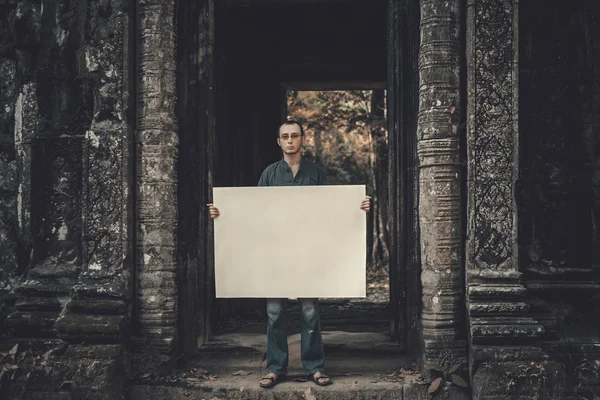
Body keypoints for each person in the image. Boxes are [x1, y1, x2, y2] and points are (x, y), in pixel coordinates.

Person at [207, 120, 371, 388]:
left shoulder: (316, 173)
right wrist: (223, 213)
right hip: (275, 255)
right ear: (279, 142)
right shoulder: (269, 174)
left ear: (302, 139)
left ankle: (315, 367)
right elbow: (254, 210)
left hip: (307, 253)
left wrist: (357, 207)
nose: (290, 140)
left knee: (309, 311)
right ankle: (274, 368)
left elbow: (332, 210)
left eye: (295, 135)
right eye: (285, 136)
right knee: (274, 312)